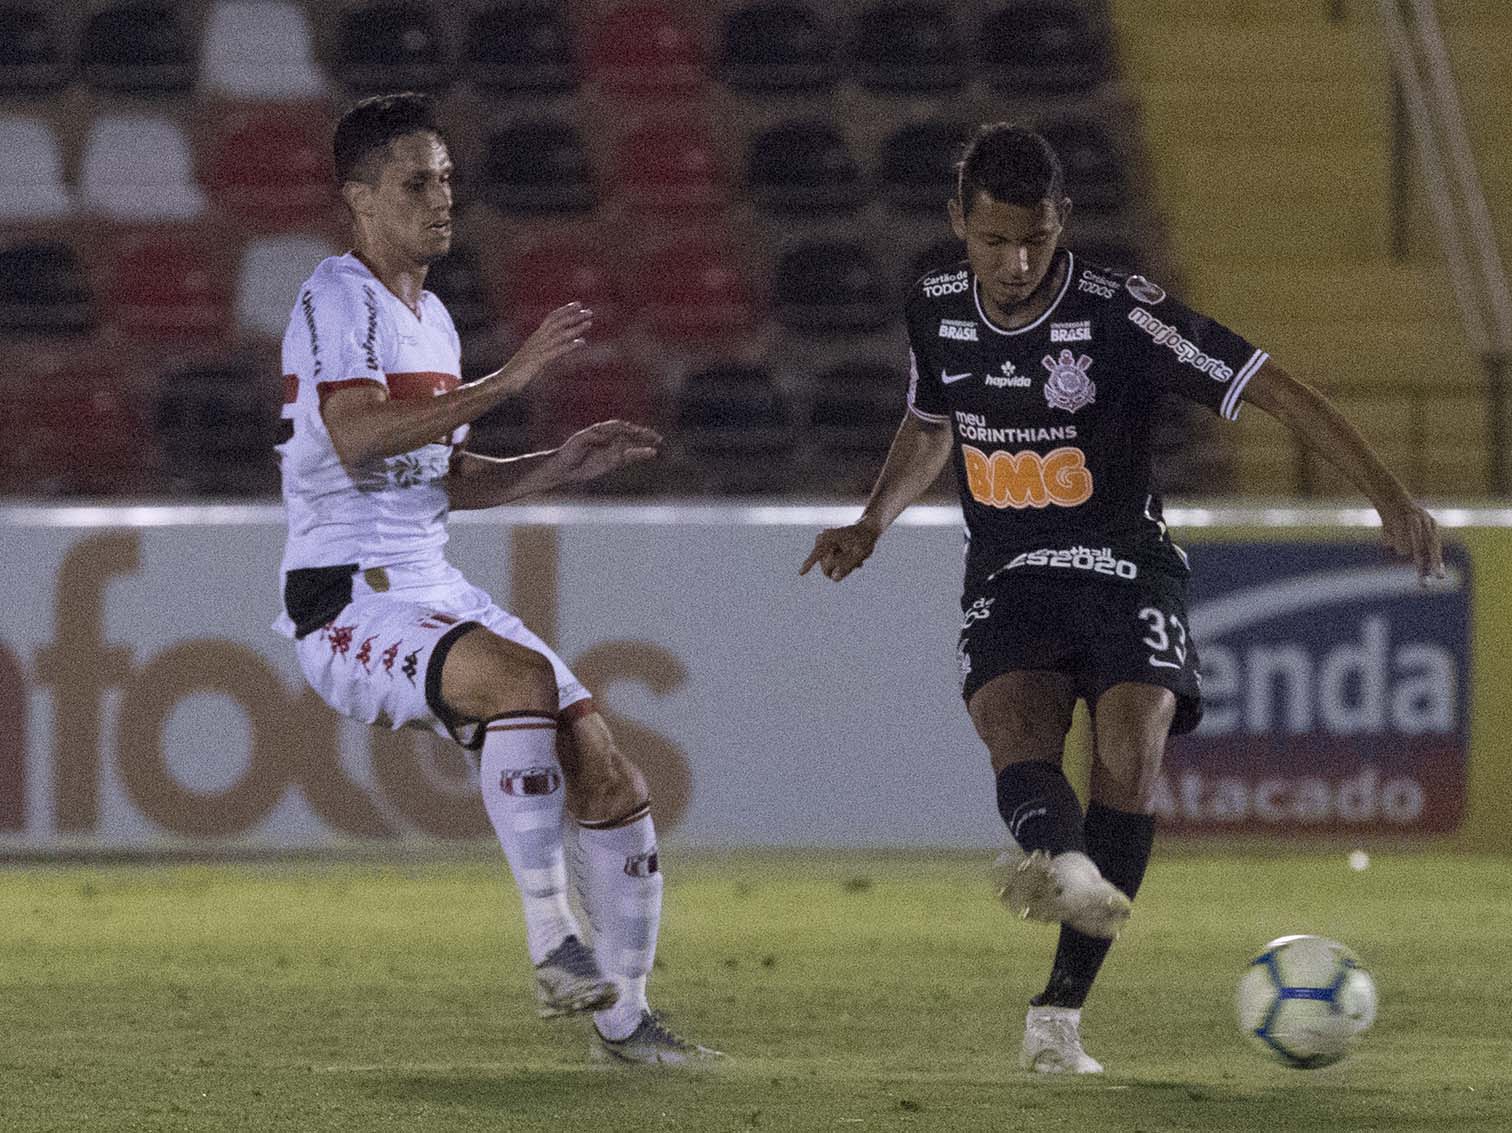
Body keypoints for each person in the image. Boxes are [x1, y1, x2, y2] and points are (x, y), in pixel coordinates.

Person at [801, 123, 1443, 1075]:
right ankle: (1065, 866)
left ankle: (1058, 1015)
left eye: (1036, 239)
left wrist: (1388, 492)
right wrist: (871, 521)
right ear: (957, 225)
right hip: (1010, 571)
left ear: (1062, 222)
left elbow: (1275, 389)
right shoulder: (933, 307)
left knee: (1129, 749)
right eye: (993, 241)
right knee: (1012, 733)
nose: (1016, 263)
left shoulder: (1120, 314)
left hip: (1121, 563)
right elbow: (931, 423)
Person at [274, 93, 718, 1065]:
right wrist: (510, 383)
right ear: (358, 198)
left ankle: (626, 1019)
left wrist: (558, 460)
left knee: (602, 758)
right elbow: (354, 437)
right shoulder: (332, 297)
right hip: (344, 592)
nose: (442, 199)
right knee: (518, 684)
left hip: (428, 580)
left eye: (445, 179)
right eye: (415, 182)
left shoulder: (431, 320)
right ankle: (554, 939)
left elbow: (447, 475)